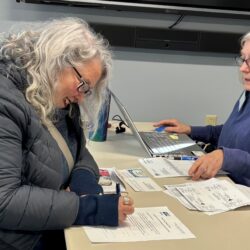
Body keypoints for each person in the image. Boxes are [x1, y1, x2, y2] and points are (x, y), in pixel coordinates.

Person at [0, 17, 134, 250]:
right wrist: (88, 209)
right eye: (82, 84)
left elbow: (79, 152)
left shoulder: (55, 98)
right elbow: (5, 201)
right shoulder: (6, 101)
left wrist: (85, 182)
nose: (82, 96)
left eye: (88, 90)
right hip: (21, 240)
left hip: (49, 227)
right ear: (56, 60)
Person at [154, 31, 250, 187]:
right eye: (243, 59)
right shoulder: (247, 94)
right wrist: (190, 130)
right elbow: (231, 132)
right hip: (224, 183)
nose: (243, 68)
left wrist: (227, 157)